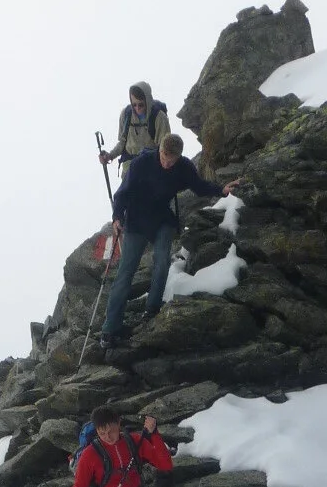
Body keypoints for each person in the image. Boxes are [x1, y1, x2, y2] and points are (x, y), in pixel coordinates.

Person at [98, 134, 241, 350]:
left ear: (178, 157)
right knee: (126, 271)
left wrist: (221, 189)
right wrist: (117, 217)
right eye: (164, 157)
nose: (167, 163)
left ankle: (152, 309)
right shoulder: (141, 163)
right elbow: (122, 194)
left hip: (162, 220)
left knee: (163, 259)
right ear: (160, 150)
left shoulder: (182, 167)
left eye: (171, 160)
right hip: (136, 221)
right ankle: (110, 329)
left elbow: (199, 186)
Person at [101, 82, 171, 177]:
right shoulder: (126, 115)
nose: (137, 108)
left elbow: (165, 147)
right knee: (128, 191)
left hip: (151, 165)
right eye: (134, 105)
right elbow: (122, 143)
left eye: (141, 105)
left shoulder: (159, 117)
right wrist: (109, 156)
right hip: (129, 166)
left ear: (147, 101)